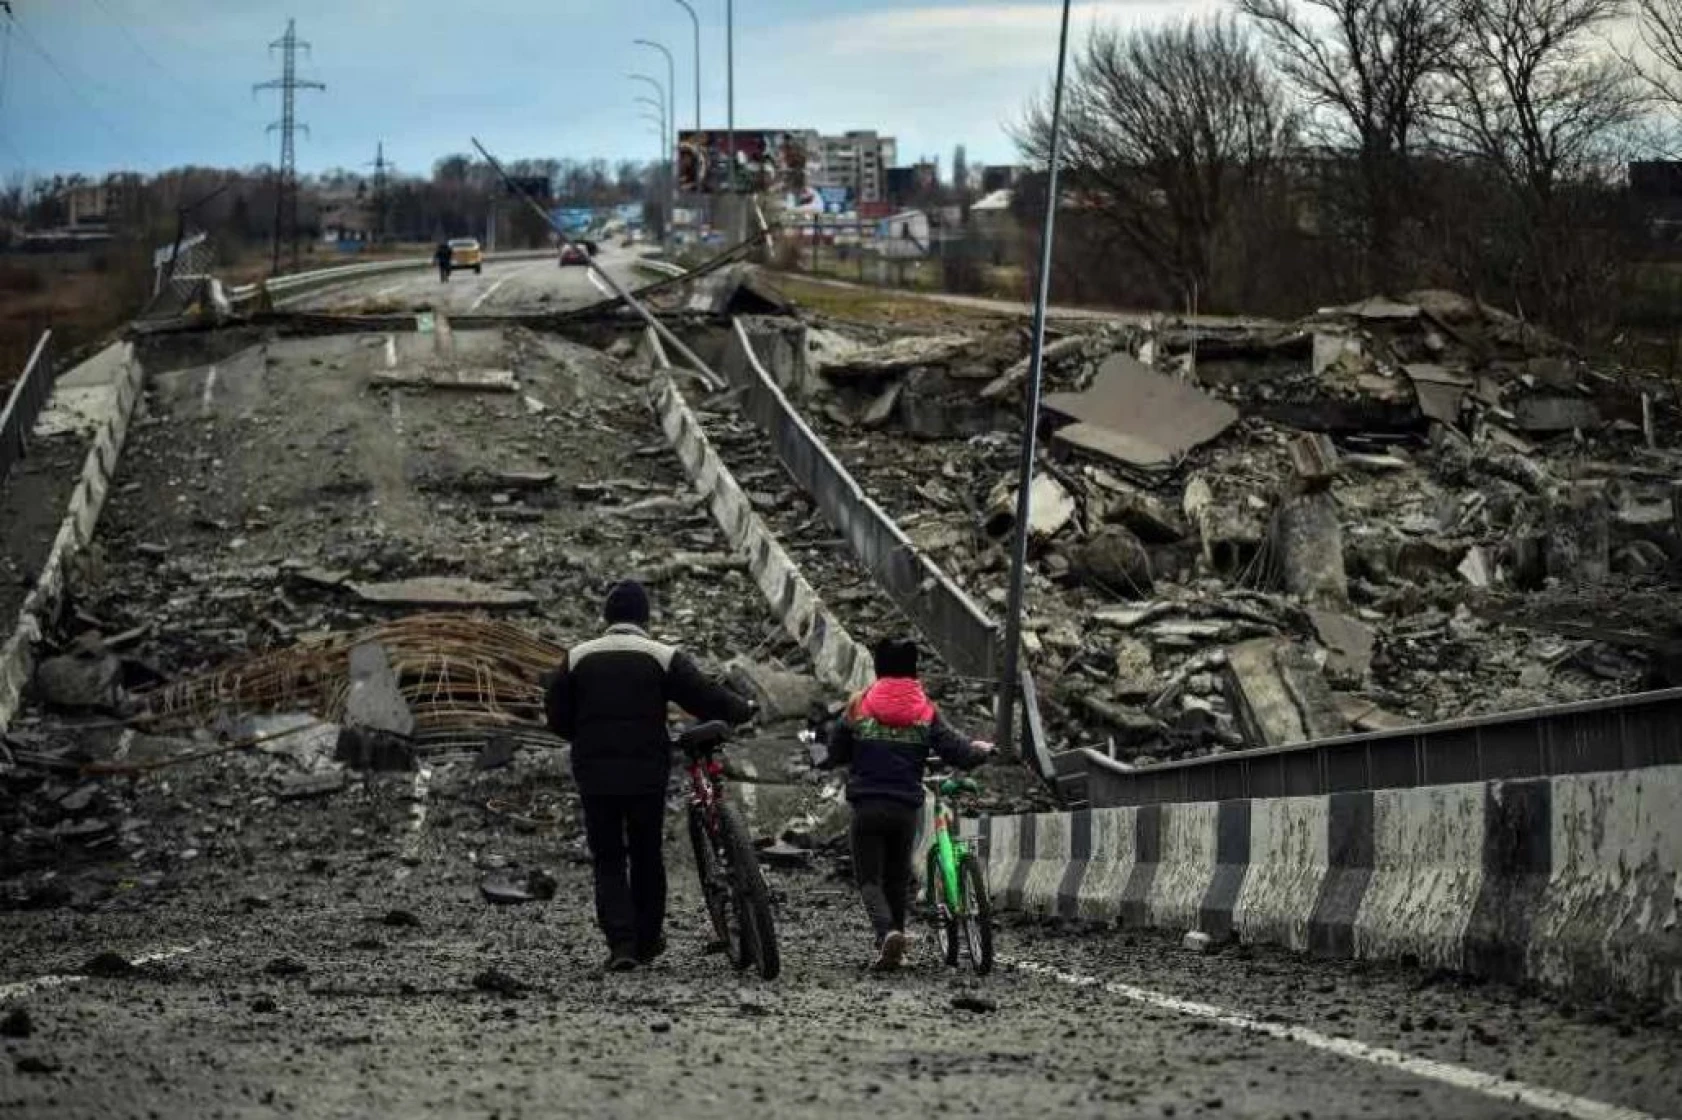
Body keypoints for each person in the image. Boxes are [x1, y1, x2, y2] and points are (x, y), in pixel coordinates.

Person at [544, 580, 755, 973]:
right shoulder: (660, 656)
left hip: (596, 774)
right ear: (645, 618)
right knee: (646, 854)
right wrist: (743, 709)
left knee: (607, 857)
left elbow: (556, 715)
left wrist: (587, 738)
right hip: (646, 773)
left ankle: (621, 944)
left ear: (606, 618)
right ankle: (646, 938)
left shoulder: (576, 657)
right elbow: (705, 697)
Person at [822, 637, 991, 971]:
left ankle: (888, 934)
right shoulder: (925, 710)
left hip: (868, 806)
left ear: (879, 668)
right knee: (896, 880)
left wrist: (849, 746)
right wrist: (981, 751)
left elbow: (835, 751)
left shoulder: (860, 704)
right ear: (913, 670)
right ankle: (896, 946)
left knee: (869, 880)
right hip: (905, 811)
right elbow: (957, 751)